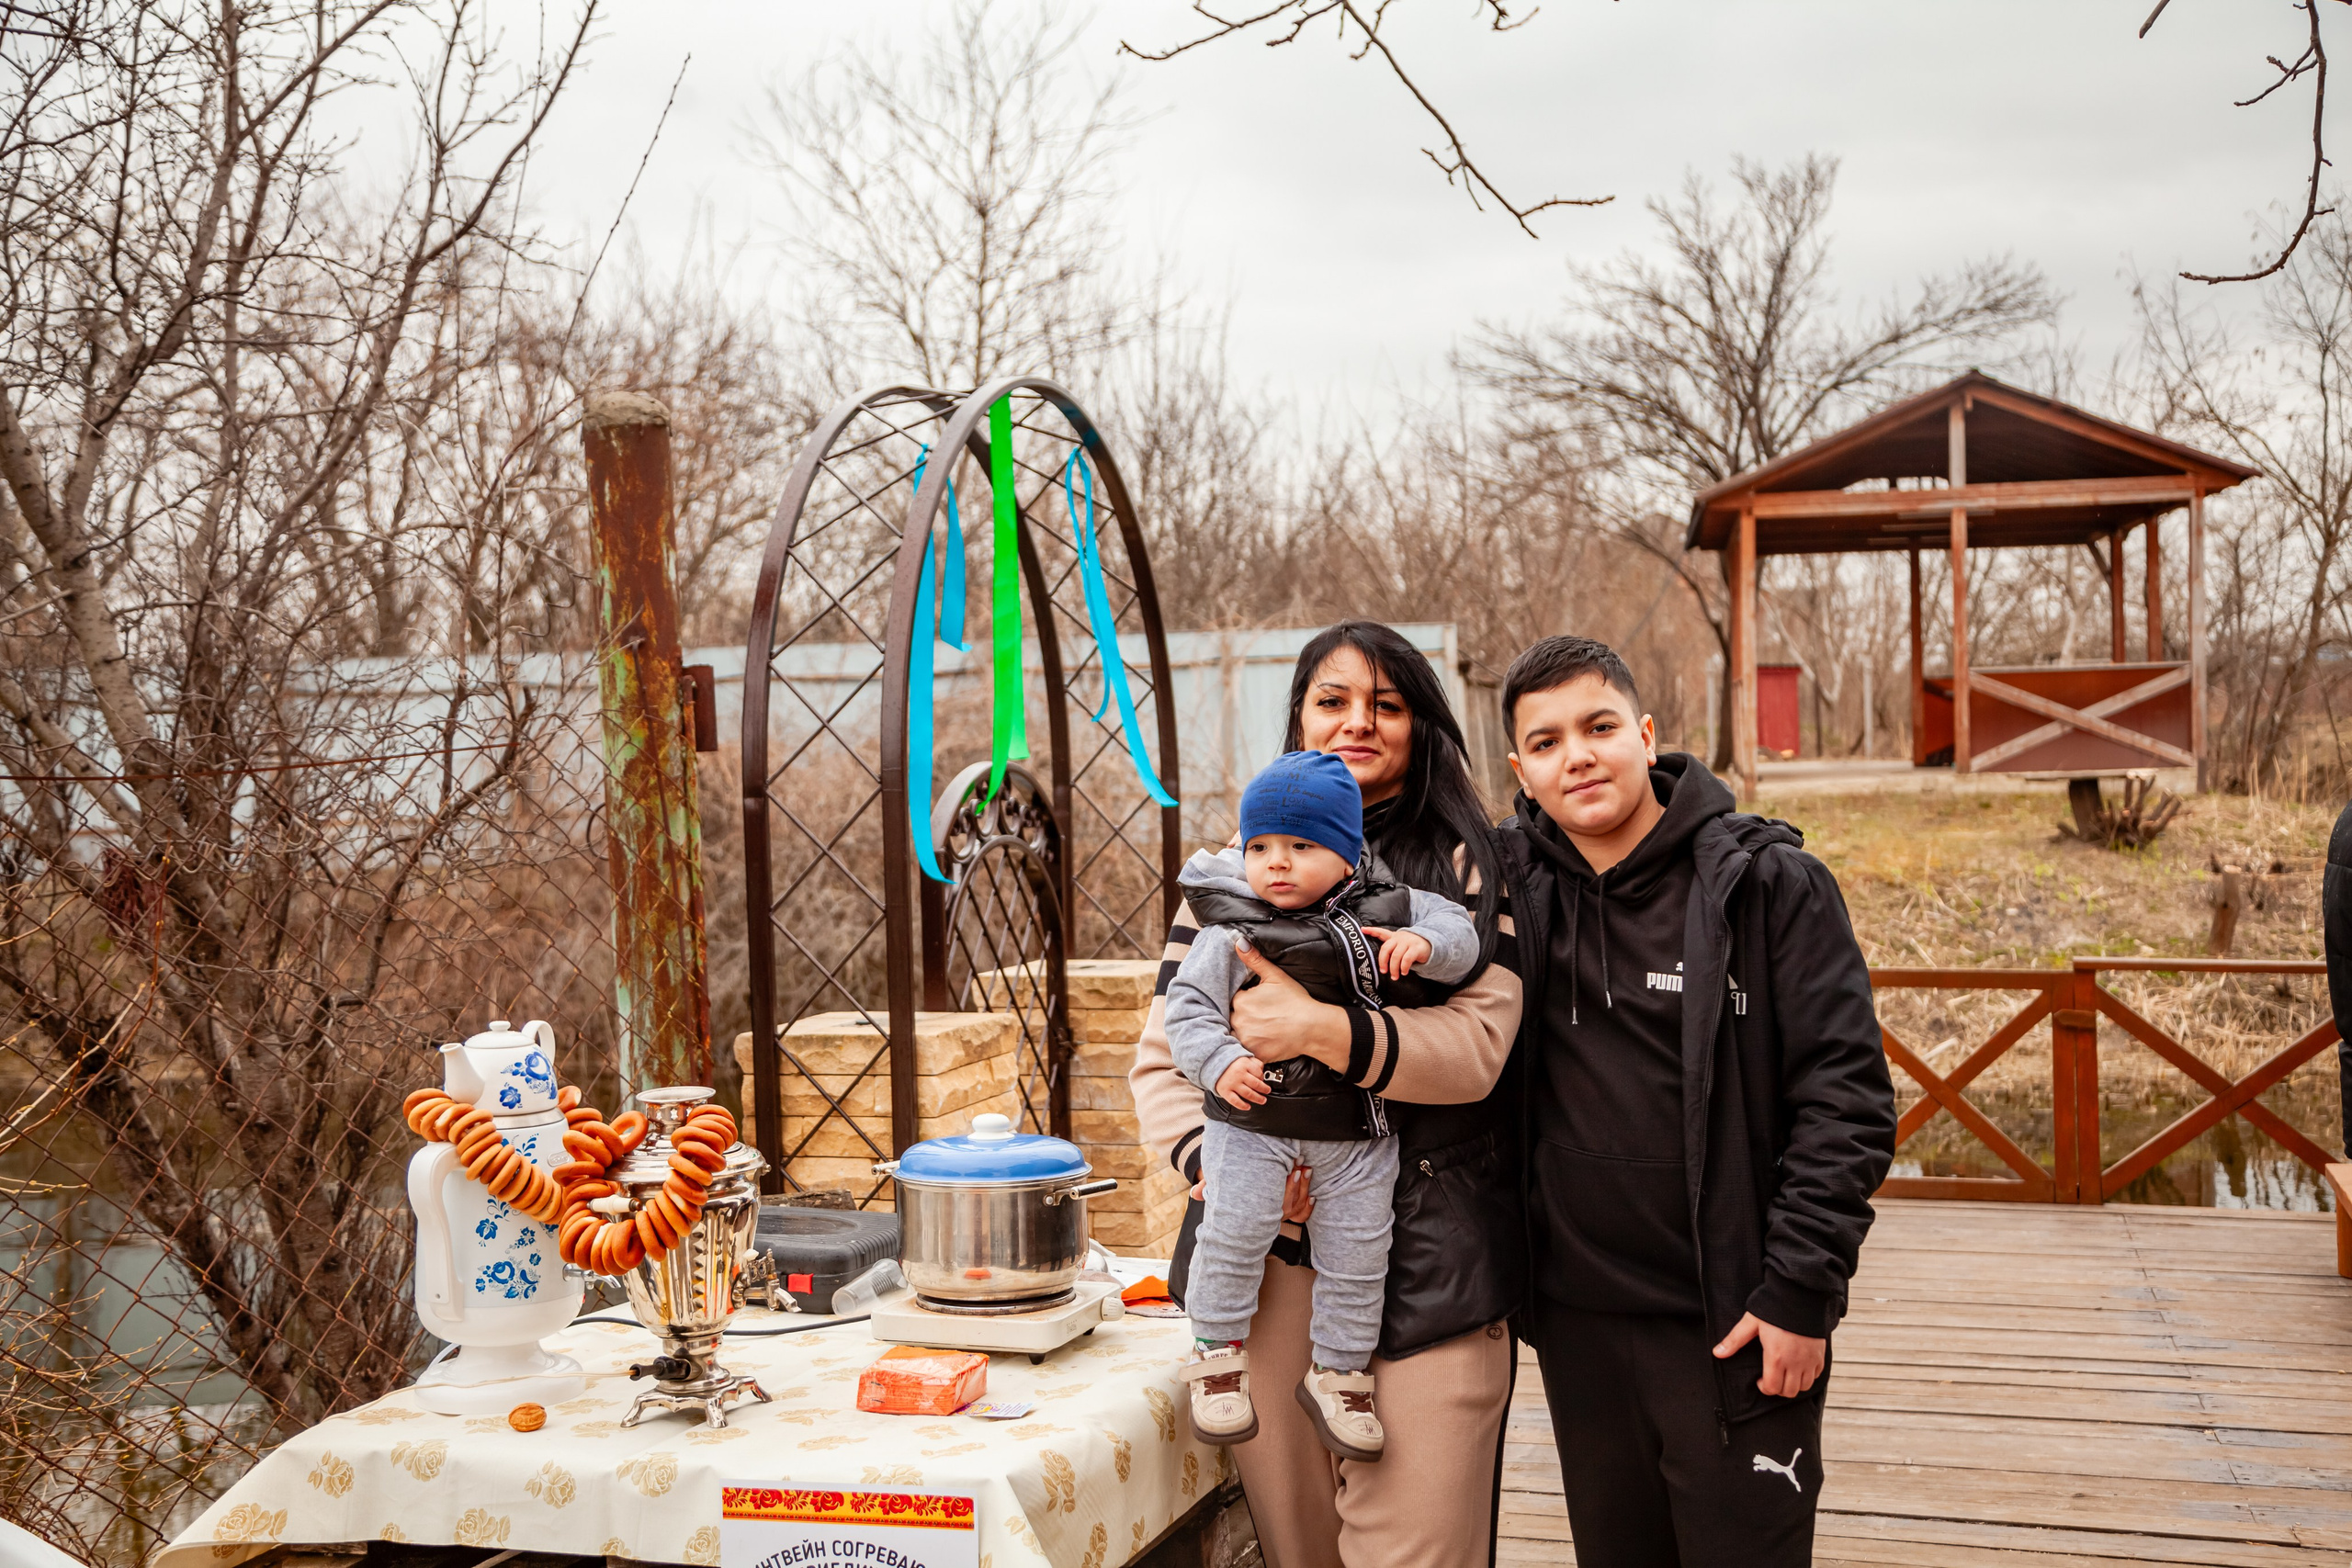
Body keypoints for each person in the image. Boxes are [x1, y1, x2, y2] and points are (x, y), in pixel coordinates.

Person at [1491, 635, 1896, 1568]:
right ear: (1520, 770)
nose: (1577, 756)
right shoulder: (1509, 889)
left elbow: (1848, 1100)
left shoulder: (1767, 886)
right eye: (1545, 743)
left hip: (1733, 1323)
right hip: (1577, 1325)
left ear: (1644, 733)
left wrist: (1800, 1292)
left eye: (1597, 728)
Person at [1128, 621, 1524, 1568]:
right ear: (1299, 716)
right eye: (1333, 700)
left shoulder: (1464, 868)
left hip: (1430, 1261)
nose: (1358, 722)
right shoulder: (1235, 872)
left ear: (1420, 723)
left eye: (1385, 705)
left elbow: (1478, 1050)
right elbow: (1162, 1060)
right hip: (1268, 1268)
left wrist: (1321, 1033)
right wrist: (1213, 1165)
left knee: (1414, 1550)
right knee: (1296, 1552)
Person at [1165, 750, 1481, 1459]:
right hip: (1253, 1124)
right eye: (1261, 848)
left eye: (1301, 846)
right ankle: (1216, 1357)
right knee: (1236, 1229)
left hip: (1358, 1132)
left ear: (1346, 854)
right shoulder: (1228, 927)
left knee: (1361, 1253)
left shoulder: (1392, 905)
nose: (1276, 863)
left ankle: (1339, 1372)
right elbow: (1185, 1013)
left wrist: (1423, 943)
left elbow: (1463, 938)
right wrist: (1219, 1063)